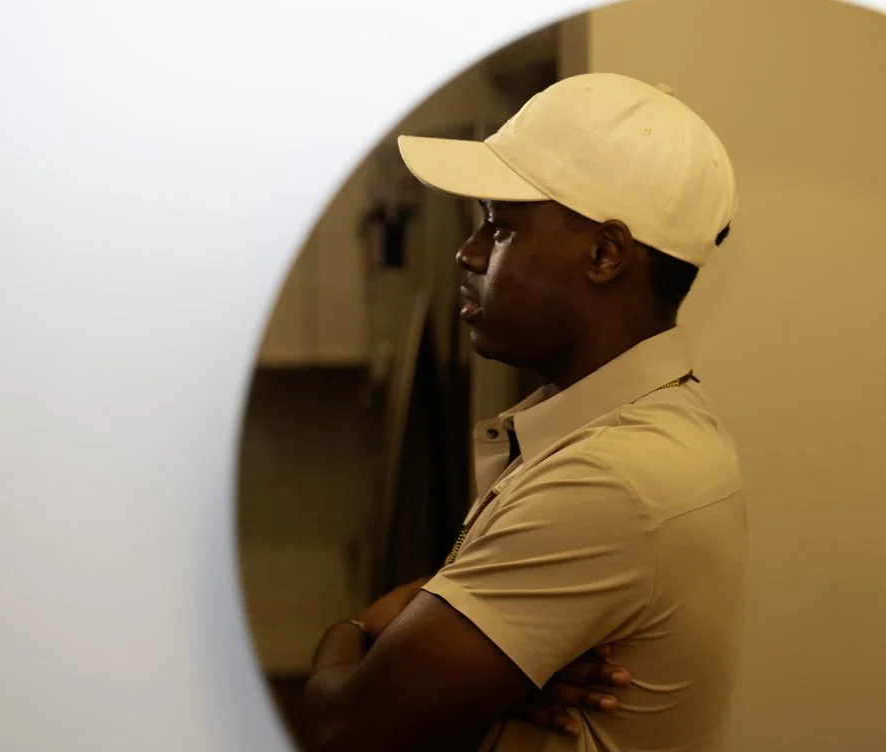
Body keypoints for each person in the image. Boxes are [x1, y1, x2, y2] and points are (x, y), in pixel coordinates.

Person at [303, 72, 745, 752]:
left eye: (499, 227)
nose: (467, 252)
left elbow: (344, 729)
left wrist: (356, 632)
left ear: (604, 254)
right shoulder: (643, 426)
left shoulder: (610, 481)